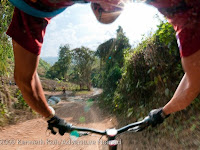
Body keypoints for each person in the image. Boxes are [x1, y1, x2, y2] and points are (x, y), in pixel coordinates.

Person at [7, 0, 126, 135]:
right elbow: (25, 80)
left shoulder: (37, 12)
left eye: (100, 12)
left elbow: (26, 80)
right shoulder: (40, 10)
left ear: (96, 7)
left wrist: (51, 117)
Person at [145, 0, 200, 127]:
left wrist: (162, 113)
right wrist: (163, 112)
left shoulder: (187, 26)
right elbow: (192, 83)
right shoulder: (188, 27)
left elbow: (192, 86)